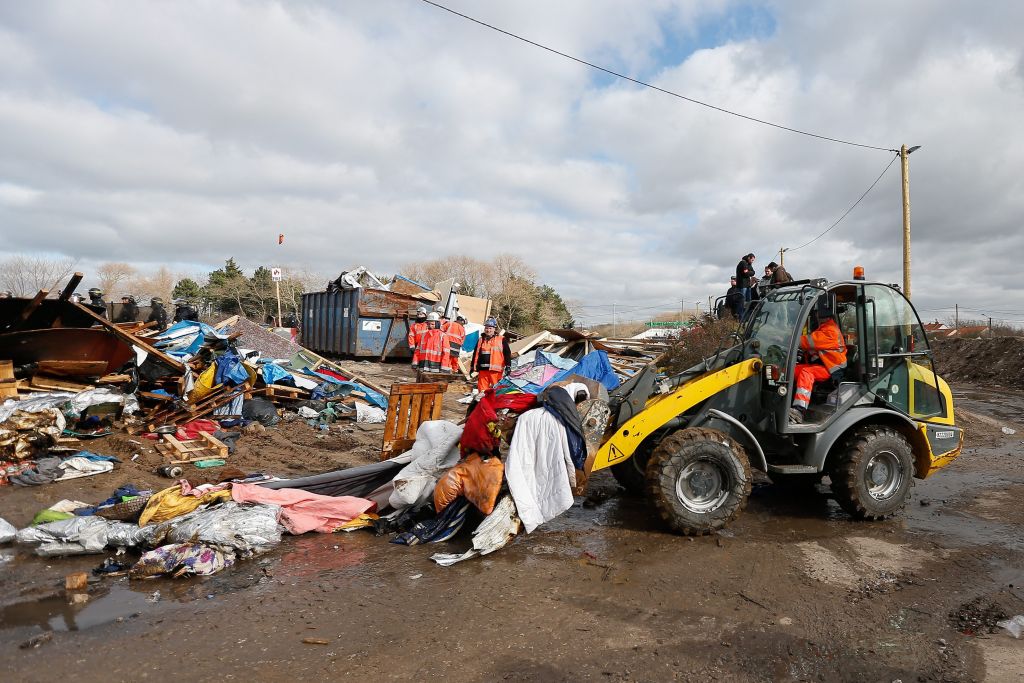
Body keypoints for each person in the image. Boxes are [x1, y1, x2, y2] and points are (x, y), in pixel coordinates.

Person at [790, 299, 848, 424]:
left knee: (807, 372)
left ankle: (799, 410)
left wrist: (788, 339)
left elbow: (808, 342)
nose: (815, 315)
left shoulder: (831, 331)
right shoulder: (823, 328)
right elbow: (812, 347)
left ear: (821, 314)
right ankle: (786, 402)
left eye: (816, 312)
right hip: (822, 365)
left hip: (832, 370)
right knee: (790, 371)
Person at [473, 317, 511, 392]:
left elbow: (507, 353)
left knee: (496, 391)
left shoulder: (501, 339)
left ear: (494, 329)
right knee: (482, 391)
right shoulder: (481, 340)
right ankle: (483, 403)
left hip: (495, 371)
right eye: (486, 328)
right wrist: (472, 367)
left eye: (490, 328)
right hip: (483, 370)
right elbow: (476, 354)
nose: (488, 330)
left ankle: (495, 403)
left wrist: (508, 366)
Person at [735, 253, 756, 319]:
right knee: (742, 302)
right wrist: (749, 272)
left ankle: (747, 318)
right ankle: (741, 318)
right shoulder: (743, 263)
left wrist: (748, 272)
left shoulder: (749, 264)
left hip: (747, 285)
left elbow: (753, 272)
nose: (752, 261)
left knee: (748, 302)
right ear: (749, 258)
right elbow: (746, 274)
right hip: (742, 286)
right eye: (752, 260)